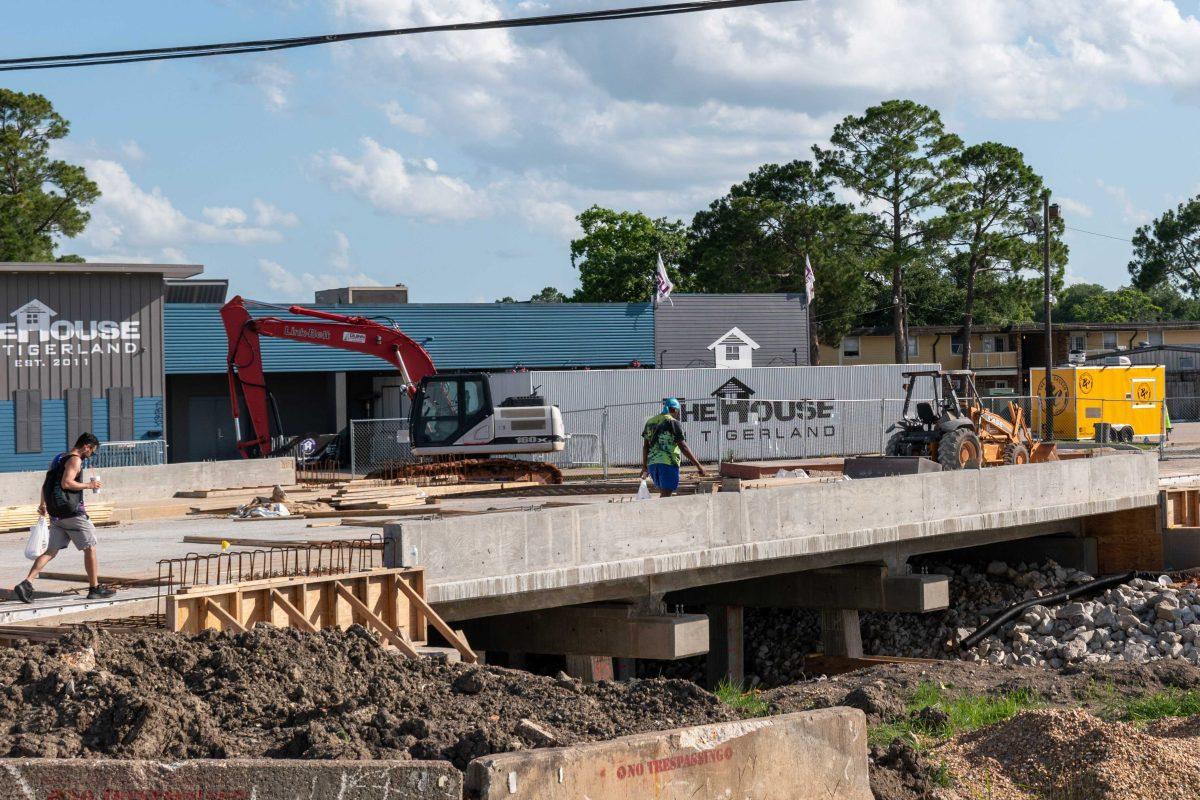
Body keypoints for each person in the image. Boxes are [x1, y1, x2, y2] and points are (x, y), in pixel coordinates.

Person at [12, 433, 115, 603]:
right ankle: (94, 588)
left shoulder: (59, 458)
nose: (91, 455)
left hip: (56, 513)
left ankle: (27, 583)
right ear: (86, 446)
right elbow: (66, 483)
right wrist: (90, 485)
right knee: (90, 547)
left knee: (51, 550)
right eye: (92, 451)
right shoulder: (75, 460)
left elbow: (47, 484)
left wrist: (43, 504)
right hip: (72, 513)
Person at [640, 397, 706, 497]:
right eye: (677, 411)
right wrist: (698, 465)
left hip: (653, 465)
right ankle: (661, 513)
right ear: (674, 410)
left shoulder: (650, 422)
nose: (678, 414)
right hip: (667, 463)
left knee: (664, 494)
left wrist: (644, 466)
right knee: (666, 496)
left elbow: (645, 447)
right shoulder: (673, 423)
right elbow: (683, 446)